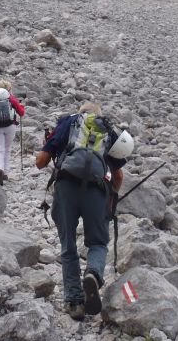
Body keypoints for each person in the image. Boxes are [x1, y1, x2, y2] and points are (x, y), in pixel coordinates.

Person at [35, 102, 134, 320]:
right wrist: (109, 201)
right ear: (98, 116)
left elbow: (40, 162)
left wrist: (49, 147)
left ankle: (74, 302)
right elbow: (118, 176)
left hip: (66, 188)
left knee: (68, 244)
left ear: (80, 114)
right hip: (96, 191)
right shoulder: (108, 130)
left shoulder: (68, 123)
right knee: (98, 243)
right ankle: (93, 273)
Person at [0, 80, 26, 186]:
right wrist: (21, 106)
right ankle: (5, 173)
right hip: (10, 126)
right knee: (7, 149)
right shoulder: (11, 98)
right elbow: (21, 112)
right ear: (9, 88)